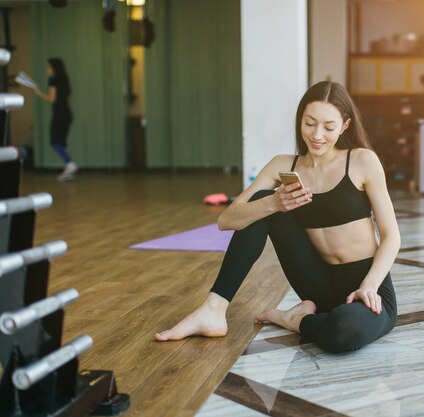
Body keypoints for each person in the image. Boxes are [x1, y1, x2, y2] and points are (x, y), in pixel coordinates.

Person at [155, 81, 401, 353]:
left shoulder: (362, 161)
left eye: (328, 127)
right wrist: (274, 202)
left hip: (365, 288)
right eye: (309, 123)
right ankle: (213, 310)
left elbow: (392, 237)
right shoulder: (283, 165)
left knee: (343, 332)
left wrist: (370, 285)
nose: (317, 135)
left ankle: (296, 318)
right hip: (317, 283)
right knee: (261, 205)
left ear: (344, 126)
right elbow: (227, 220)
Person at [34, 58, 77, 181]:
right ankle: (68, 170)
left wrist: (39, 93)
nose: (47, 69)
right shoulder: (65, 80)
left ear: (53, 68)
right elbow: (69, 100)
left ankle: (69, 164)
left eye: (48, 66)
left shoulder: (53, 80)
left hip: (59, 115)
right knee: (63, 142)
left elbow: (52, 99)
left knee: (55, 142)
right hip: (67, 114)